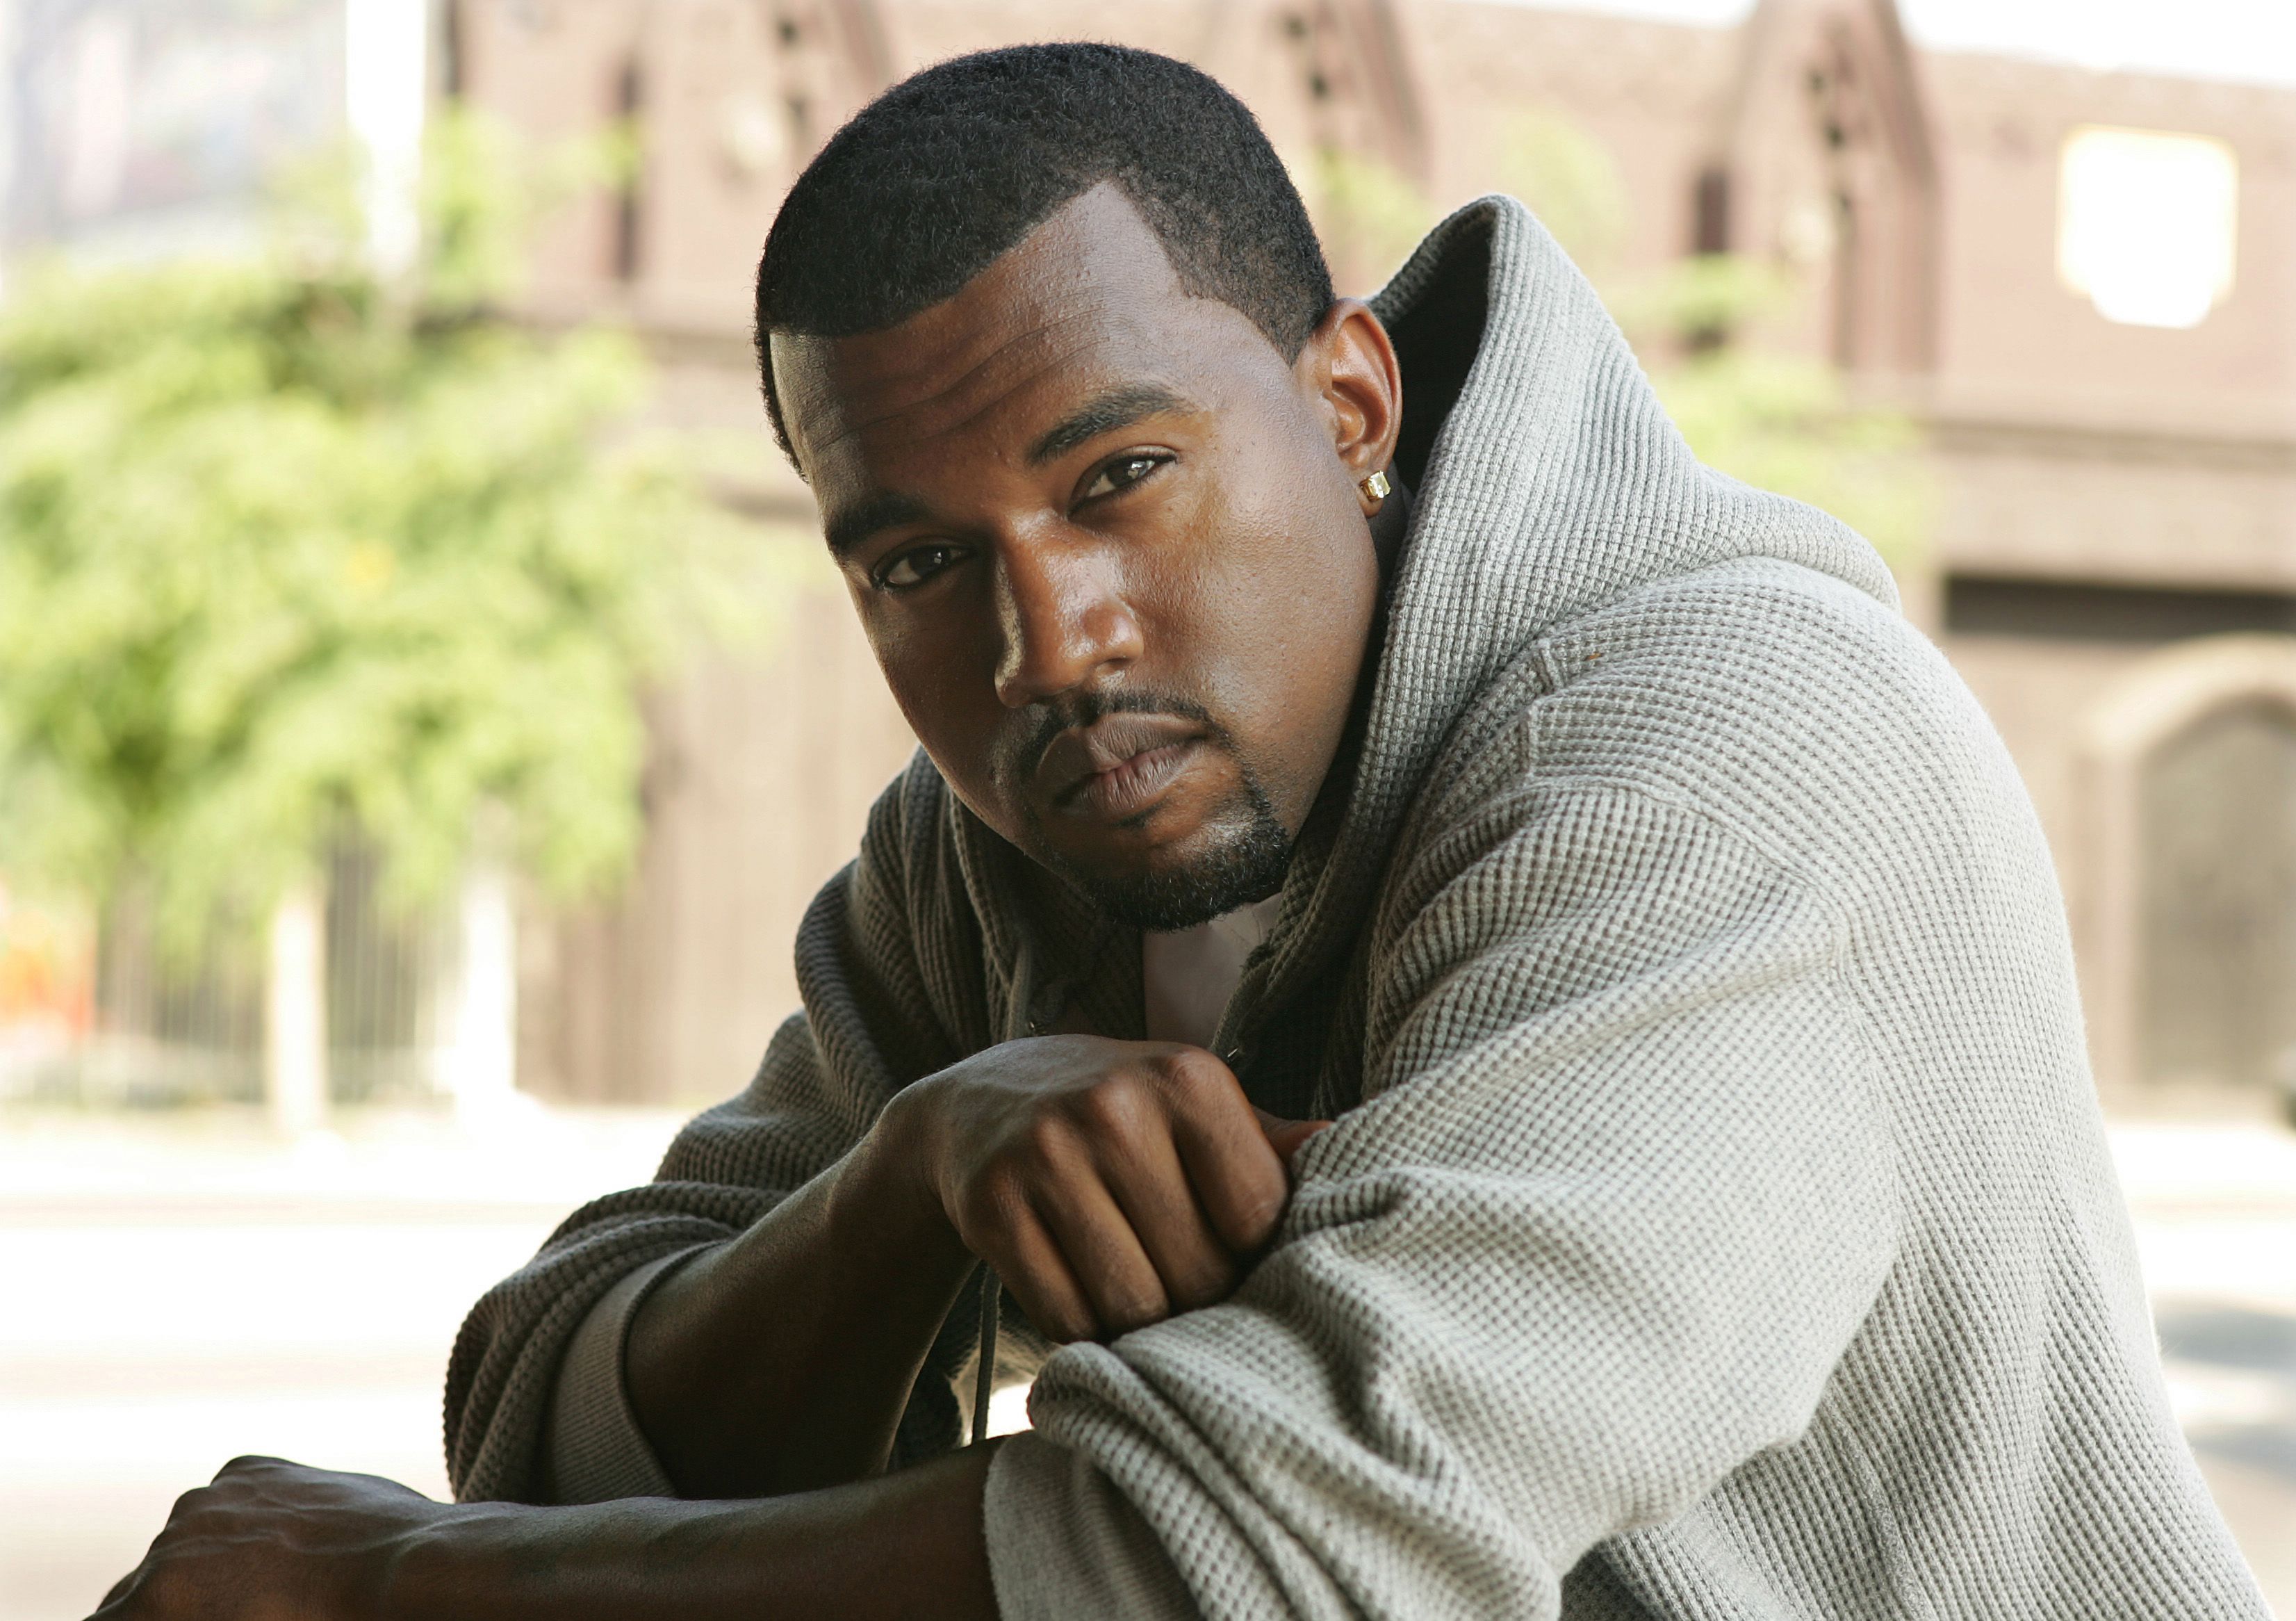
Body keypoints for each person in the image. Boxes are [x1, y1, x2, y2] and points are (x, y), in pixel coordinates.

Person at [96, 42, 2265, 1621]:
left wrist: (401, 1592)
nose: (1050, 642)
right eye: (919, 564)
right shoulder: (1023, 847)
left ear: (1348, 407)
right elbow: (554, 1419)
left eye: (1118, 477)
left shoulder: (1724, 761)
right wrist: (902, 1178)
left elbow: (1249, 1561)